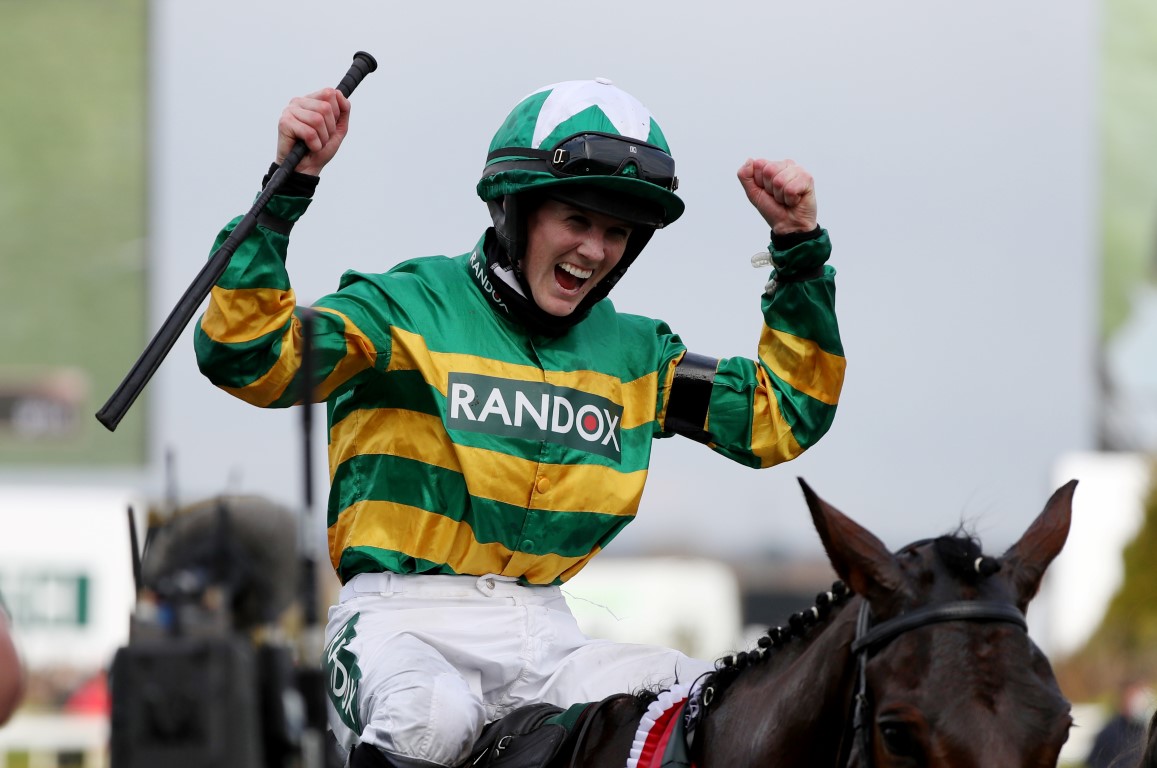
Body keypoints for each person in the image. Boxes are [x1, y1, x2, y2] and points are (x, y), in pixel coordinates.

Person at [195, 77, 845, 768]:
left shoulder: (637, 358)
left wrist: (797, 245)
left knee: (704, 698)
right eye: (576, 220)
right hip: (396, 627)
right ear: (514, 210)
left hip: (545, 634)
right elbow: (247, 356)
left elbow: (783, 415)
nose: (594, 250)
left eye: (616, 232)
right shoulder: (402, 310)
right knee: (428, 719)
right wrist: (285, 189)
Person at [1086, 678, 1155, 768]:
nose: (1140, 701)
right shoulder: (1109, 731)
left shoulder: (1146, 730)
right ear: (1124, 698)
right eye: (1134, 696)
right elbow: (1093, 761)